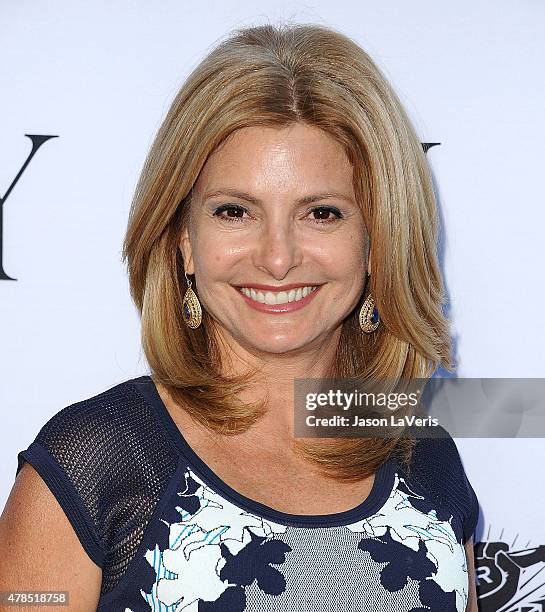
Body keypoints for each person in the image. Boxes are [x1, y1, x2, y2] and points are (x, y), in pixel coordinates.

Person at [0, 22, 479, 611]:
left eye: (322, 214)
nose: (278, 258)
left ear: (377, 240)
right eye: (235, 212)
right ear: (181, 240)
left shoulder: (422, 454)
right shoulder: (93, 463)